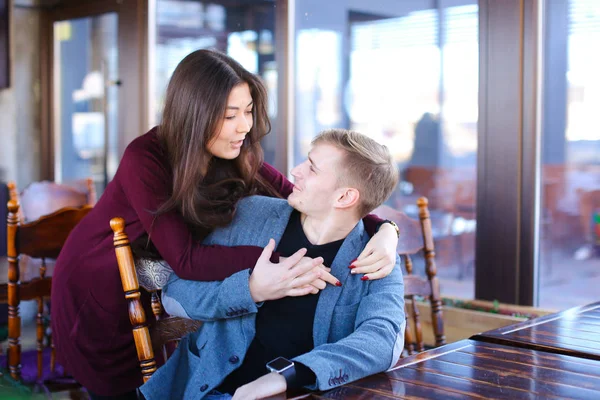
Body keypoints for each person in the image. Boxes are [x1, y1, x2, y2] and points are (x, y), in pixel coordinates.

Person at [50, 50, 400, 399]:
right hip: (103, 278)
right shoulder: (145, 157)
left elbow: (312, 196)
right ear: (194, 115)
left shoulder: (235, 151)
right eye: (230, 115)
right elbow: (186, 260)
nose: (245, 126)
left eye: (248, 111)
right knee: (120, 386)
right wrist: (278, 264)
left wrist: (384, 229)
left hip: (162, 276)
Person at [142, 129, 406, 400]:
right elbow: (174, 295)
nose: (295, 171)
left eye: (312, 169)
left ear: (344, 198)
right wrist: (252, 290)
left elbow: (383, 340)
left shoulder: (376, 257)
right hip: (210, 391)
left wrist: (287, 375)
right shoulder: (249, 214)